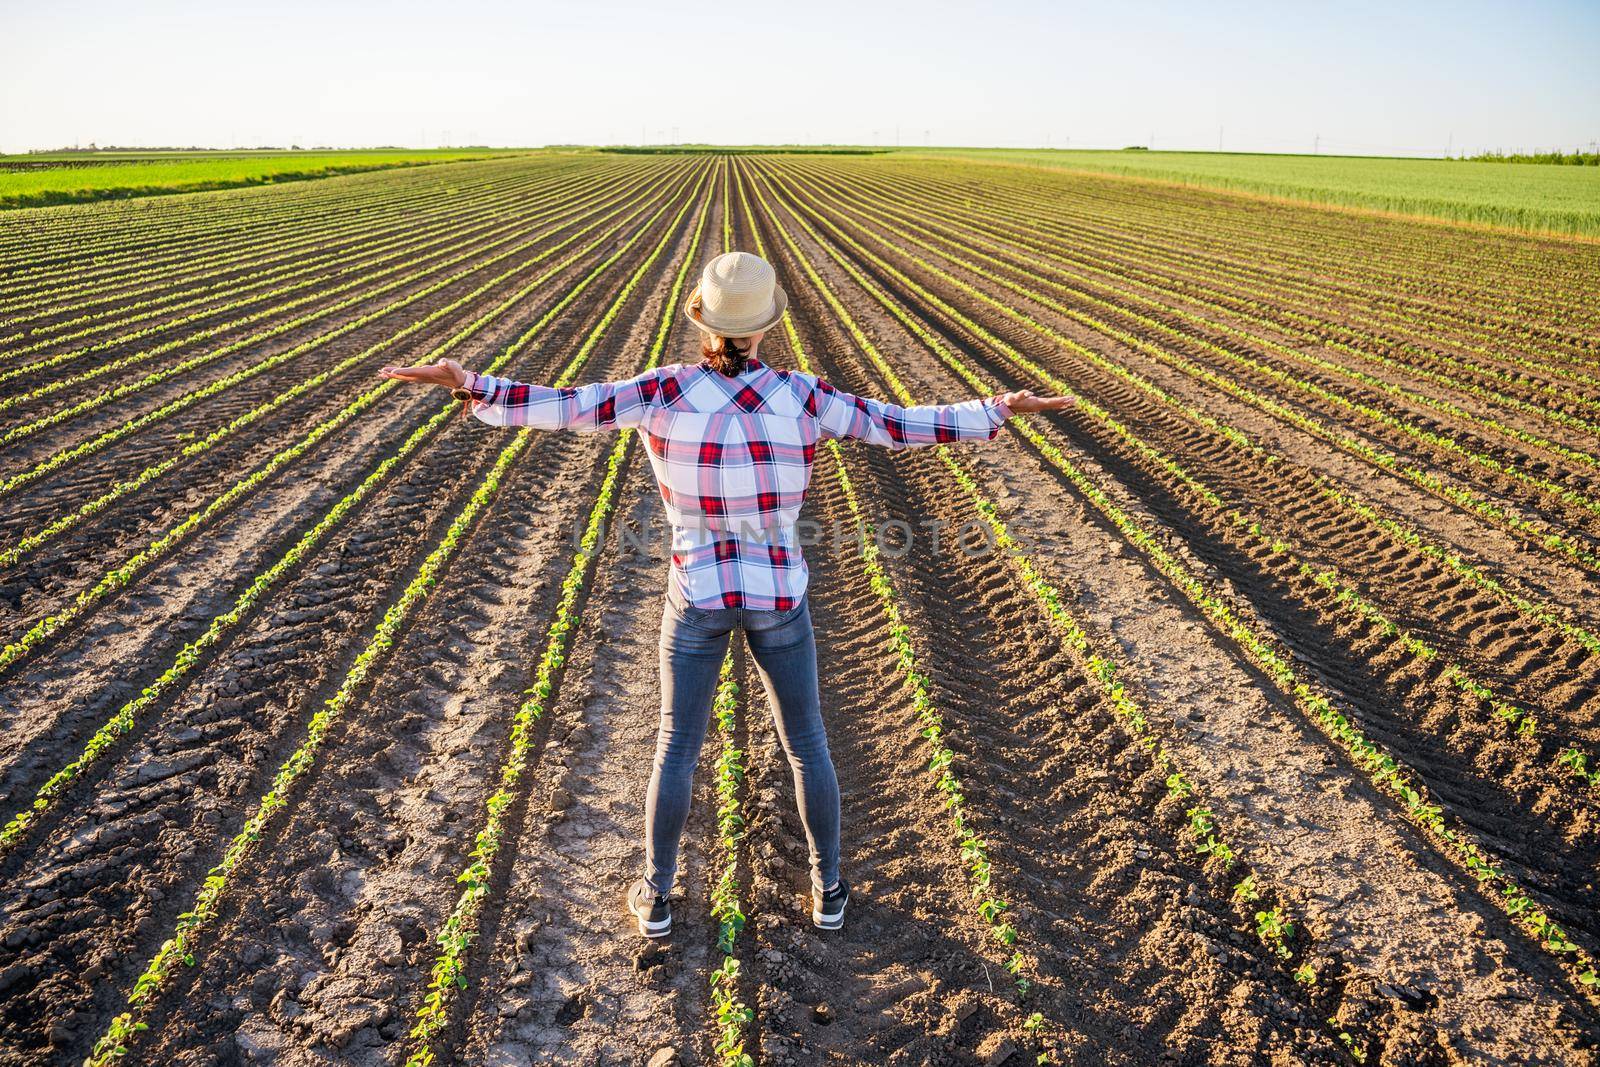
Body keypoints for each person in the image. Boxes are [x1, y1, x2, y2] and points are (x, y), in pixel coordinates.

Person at [382, 251, 1072, 938]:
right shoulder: (803, 395)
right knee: (806, 744)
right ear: (766, 325)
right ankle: (828, 889)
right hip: (779, 597)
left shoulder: (663, 392)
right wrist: (996, 411)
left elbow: (565, 408)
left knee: (676, 745)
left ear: (702, 322)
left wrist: (469, 384)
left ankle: (655, 896)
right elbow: (898, 424)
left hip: (699, 595)